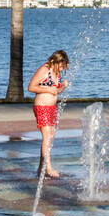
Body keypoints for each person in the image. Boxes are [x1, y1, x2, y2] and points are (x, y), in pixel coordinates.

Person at [28, 50, 70, 178]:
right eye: (62, 66)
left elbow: (54, 92)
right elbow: (31, 87)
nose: (62, 69)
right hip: (42, 107)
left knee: (49, 137)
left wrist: (62, 87)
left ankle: (41, 168)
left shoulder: (56, 73)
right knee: (47, 137)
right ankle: (49, 168)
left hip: (51, 108)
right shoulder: (44, 69)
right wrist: (47, 89)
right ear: (55, 61)